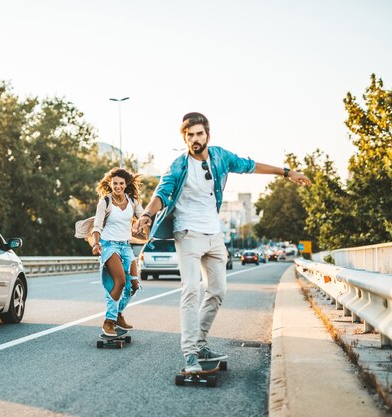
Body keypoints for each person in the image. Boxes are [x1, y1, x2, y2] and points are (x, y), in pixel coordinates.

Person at [133, 112, 311, 372]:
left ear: (207, 135)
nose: (195, 139)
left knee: (217, 292)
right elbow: (161, 192)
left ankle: (201, 344)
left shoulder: (220, 157)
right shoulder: (178, 166)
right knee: (192, 289)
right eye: (190, 135)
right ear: (184, 138)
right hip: (188, 234)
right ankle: (190, 354)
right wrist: (148, 214)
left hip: (214, 236)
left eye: (199, 134)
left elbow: (250, 165)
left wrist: (286, 172)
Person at [92, 167, 144, 337]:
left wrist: (142, 224)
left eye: (121, 183)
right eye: (115, 183)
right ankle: (109, 321)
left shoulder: (132, 202)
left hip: (126, 246)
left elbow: (143, 216)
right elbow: (97, 225)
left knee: (134, 285)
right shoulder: (105, 202)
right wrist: (96, 243)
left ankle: (118, 314)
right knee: (120, 281)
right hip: (109, 246)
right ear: (110, 184)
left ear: (126, 184)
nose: (118, 186)